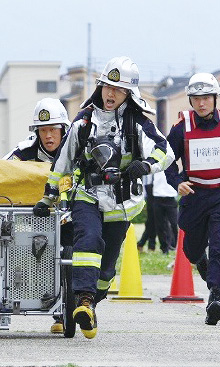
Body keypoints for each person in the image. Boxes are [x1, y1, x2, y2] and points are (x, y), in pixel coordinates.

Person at [33, 56, 175, 339]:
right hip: (87, 194)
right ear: (99, 87)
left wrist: (145, 165)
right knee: (88, 241)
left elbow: (166, 151)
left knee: (107, 268)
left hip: (122, 204)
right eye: (107, 86)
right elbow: (63, 162)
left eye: (118, 89)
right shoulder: (84, 121)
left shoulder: (138, 123)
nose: (111, 94)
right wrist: (48, 198)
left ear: (128, 93)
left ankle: (91, 305)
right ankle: (83, 300)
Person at [0, 98, 71, 333]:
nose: (49, 136)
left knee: (72, 260)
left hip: (70, 217)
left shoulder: (77, 148)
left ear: (64, 129)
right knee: (5, 250)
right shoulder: (24, 151)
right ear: (36, 132)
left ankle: (63, 312)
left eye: (53, 129)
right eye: (43, 130)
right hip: (31, 218)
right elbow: (0, 174)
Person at [165, 72, 220, 326]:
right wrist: (178, 182)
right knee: (191, 249)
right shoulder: (181, 129)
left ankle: (217, 297)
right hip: (195, 196)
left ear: (215, 98)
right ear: (190, 101)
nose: (202, 104)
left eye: (206, 98)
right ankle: (202, 263)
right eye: (196, 99)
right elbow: (166, 162)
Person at [152, 171, 178, 255]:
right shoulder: (156, 161)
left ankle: (178, 245)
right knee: (160, 225)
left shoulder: (172, 161)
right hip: (157, 197)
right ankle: (164, 248)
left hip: (170, 197)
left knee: (175, 223)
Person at [137, 174, 156, 252]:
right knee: (152, 221)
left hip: (157, 194)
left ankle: (145, 244)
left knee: (153, 222)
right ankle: (149, 245)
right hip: (150, 195)